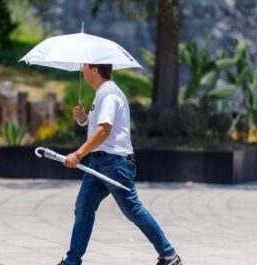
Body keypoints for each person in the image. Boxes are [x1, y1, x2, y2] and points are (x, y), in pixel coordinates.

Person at [56, 63, 182, 265]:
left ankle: (169, 255)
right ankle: (72, 261)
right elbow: (104, 127)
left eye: (84, 66)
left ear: (95, 70)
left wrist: (78, 154)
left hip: (115, 162)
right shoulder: (103, 94)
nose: (82, 70)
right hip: (100, 162)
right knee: (84, 207)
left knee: (132, 210)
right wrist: (85, 119)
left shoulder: (109, 94)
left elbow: (104, 131)